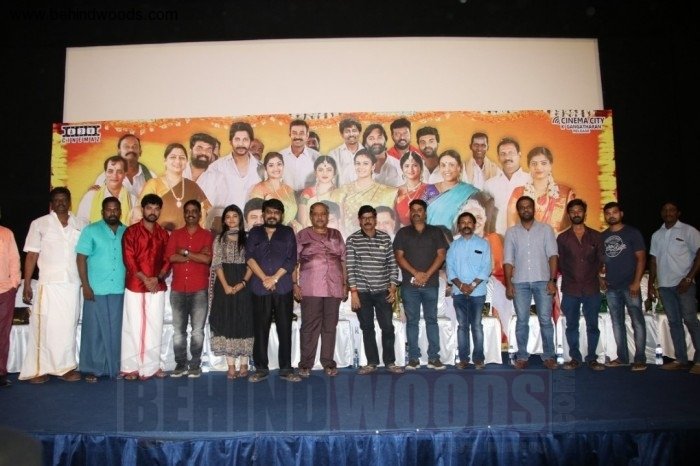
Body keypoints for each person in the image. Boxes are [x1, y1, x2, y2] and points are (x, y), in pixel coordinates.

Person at [19, 187, 86, 384]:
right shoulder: (39, 224)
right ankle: (38, 369)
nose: (61, 203)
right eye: (56, 200)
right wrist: (27, 284)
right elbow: (32, 255)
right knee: (44, 327)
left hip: (72, 284)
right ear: (51, 204)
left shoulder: (81, 224)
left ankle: (64, 368)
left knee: (67, 327)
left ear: (70, 201)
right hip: (48, 284)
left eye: (64, 199)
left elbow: (85, 255)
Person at [246, 198, 301, 383]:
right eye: (269, 212)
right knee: (260, 329)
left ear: (281, 215)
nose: (272, 215)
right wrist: (265, 279)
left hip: (283, 287)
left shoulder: (287, 232)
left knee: (285, 329)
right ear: (263, 214)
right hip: (259, 287)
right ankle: (261, 368)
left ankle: (286, 368)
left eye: (276, 213)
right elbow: (249, 258)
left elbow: (291, 260)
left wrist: (274, 278)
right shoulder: (254, 233)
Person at [346, 205, 403, 374]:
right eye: (364, 218)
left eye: (370, 217)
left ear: (375, 219)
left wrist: (393, 286)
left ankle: (390, 362)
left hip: (383, 291)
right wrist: (354, 293)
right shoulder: (352, 240)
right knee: (367, 327)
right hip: (362, 293)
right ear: (359, 221)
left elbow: (392, 264)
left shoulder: (385, 238)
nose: (367, 221)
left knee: (388, 327)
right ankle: (371, 362)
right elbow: (350, 267)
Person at [504, 195, 559, 370]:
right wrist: (508, 284)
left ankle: (549, 356)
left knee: (545, 319)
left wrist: (552, 280)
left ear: (534, 209)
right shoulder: (511, 232)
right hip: (519, 282)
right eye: (522, 207)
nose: (525, 209)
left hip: (543, 281)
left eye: (528, 206)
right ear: (518, 211)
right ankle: (522, 356)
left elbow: (553, 256)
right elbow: (508, 260)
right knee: (522, 320)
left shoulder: (546, 230)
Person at [75, 197, 127, 383]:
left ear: (120, 211)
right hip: (95, 289)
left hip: (118, 289)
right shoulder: (91, 230)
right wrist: (86, 285)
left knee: (116, 331)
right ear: (102, 212)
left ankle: (114, 368)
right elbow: (81, 258)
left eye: (115, 209)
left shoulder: (126, 231)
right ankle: (92, 368)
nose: (112, 212)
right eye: (108, 209)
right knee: (94, 331)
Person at [393, 199, 449, 370]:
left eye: (419, 210)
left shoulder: (436, 232)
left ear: (425, 213)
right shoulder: (403, 233)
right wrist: (416, 273)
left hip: (431, 284)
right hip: (410, 286)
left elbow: (441, 255)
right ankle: (413, 358)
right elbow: (399, 257)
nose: (416, 212)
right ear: (410, 213)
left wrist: (426, 275)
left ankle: (434, 358)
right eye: (413, 210)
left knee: (432, 320)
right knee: (412, 322)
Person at [293, 202, 347, 377]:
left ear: (327, 215)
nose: (320, 217)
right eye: (316, 214)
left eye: (323, 213)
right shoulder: (302, 235)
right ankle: (305, 364)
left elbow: (343, 260)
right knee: (309, 326)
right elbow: (294, 262)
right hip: (311, 287)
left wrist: (345, 284)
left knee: (330, 326)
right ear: (310, 216)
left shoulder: (336, 234)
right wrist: (295, 284)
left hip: (334, 287)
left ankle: (328, 362)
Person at [121, 193, 170, 380]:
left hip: (157, 286)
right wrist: (146, 279)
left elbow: (167, 259)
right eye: (149, 208)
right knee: (134, 326)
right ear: (142, 209)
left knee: (155, 326)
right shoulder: (131, 232)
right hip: (136, 285)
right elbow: (129, 259)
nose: (153, 212)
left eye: (156, 209)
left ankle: (152, 366)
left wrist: (157, 278)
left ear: (160, 211)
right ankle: (131, 367)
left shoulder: (163, 234)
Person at [649, 201, 700, 374]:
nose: (668, 212)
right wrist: (651, 284)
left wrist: (689, 278)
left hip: (684, 284)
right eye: (665, 210)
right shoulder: (657, 235)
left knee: (691, 320)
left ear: (678, 213)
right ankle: (681, 359)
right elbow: (653, 260)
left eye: (671, 210)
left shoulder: (689, 231)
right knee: (674, 322)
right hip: (665, 285)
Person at [165, 200, 214, 378]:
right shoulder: (176, 234)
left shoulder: (207, 235)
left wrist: (185, 252)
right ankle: (180, 364)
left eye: (194, 211)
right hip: (178, 289)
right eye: (188, 211)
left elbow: (207, 260)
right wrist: (196, 255)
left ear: (200, 214)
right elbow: (170, 257)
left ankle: (195, 365)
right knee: (178, 331)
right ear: (184, 214)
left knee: (197, 331)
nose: (191, 214)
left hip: (199, 289)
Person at [557, 199, 606, 371]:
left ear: (585, 213)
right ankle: (575, 358)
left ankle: (592, 358)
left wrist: (599, 276)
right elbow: (560, 263)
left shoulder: (596, 236)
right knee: (571, 325)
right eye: (572, 211)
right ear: (568, 214)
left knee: (593, 325)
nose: (576, 214)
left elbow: (601, 260)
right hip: (570, 288)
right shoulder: (562, 238)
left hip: (592, 287)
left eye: (579, 211)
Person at [600, 201, 647, 371]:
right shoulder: (602, 236)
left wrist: (636, 282)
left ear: (621, 214)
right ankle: (622, 358)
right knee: (617, 323)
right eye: (608, 213)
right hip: (612, 287)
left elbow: (641, 258)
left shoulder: (632, 233)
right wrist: (600, 277)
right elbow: (600, 261)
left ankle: (640, 359)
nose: (611, 215)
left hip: (630, 285)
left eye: (614, 212)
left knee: (637, 322)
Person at [209, 204, 254, 379]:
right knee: (227, 320)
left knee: (245, 320)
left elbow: (252, 263)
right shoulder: (219, 239)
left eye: (235, 216)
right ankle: (231, 366)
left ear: (240, 219)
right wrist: (226, 286)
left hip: (245, 283)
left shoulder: (248, 238)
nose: (231, 219)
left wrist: (243, 283)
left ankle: (244, 363)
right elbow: (217, 264)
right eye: (228, 217)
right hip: (224, 284)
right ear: (224, 220)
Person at [447, 211, 492, 370]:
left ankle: (478, 359)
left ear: (474, 225)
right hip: (459, 293)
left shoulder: (483, 244)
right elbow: (450, 269)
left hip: (477, 293)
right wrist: (461, 286)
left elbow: (486, 268)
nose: (466, 225)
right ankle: (464, 359)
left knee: (477, 325)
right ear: (458, 226)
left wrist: (472, 285)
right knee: (462, 326)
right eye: (463, 222)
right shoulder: (453, 246)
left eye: (469, 222)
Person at [138, 143, 211, 232]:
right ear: (165, 161)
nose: (177, 161)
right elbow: (140, 213)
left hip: (187, 238)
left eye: (182, 158)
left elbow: (207, 211)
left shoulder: (192, 186)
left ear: (186, 161)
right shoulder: (154, 184)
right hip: (158, 237)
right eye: (173, 157)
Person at [506, 146, 575, 236]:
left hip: (558, 243)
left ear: (550, 165)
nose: (538, 167)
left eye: (543, 163)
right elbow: (511, 230)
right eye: (534, 163)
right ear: (529, 166)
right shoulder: (518, 193)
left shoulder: (565, 193)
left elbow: (574, 227)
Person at [204, 121, 262, 222]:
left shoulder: (261, 168)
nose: (241, 144)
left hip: (253, 227)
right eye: (237, 139)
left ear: (251, 142)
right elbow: (206, 203)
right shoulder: (216, 167)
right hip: (224, 226)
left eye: (245, 140)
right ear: (230, 141)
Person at [334, 149, 398, 237]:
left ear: (373, 166)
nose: (361, 167)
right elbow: (340, 222)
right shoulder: (343, 190)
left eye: (365, 163)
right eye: (358, 163)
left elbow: (391, 223)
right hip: (350, 238)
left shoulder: (387, 192)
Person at [483, 137, 531, 235]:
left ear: (519, 155)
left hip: (527, 237)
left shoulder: (530, 180)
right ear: (498, 157)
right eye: (503, 154)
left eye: (511, 153)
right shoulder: (489, 185)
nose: (507, 157)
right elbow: (485, 216)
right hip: (498, 238)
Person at [426, 150, 478, 232]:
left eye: (451, 165)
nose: (447, 169)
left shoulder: (469, 192)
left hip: (456, 237)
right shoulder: (429, 189)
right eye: (443, 165)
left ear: (459, 167)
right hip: (428, 236)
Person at [77, 155, 137, 225]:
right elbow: (81, 223)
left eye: (119, 172)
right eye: (110, 171)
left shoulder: (133, 200)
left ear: (124, 175)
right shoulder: (91, 196)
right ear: (105, 173)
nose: (114, 175)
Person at [93, 134, 156, 198]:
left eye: (135, 146)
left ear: (140, 151)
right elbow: (96, 199)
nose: (131, 149)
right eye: (126, 147)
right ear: (119, 151)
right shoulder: (104, 178)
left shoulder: (152, 177)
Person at [247, 152, 299, 227]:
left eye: (279, 164)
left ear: (283, 166)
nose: (276, 168)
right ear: (265, 168)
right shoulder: (259, 189)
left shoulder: (289, 189)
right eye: (271, 165)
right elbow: (256, 217)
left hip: (290, 231)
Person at [0, 222, 20, 387]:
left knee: (2, 334)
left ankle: (0, 373)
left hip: (5, 290)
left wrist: (14, 284)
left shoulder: (6, 233)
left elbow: (14, 259)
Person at [394, 151, 439, 226]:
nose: (410, 169)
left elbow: (435, 215)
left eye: (415, 165)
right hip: (402, 231)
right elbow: (393, 218)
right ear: (402, 169)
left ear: (421, 168)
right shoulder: (396, 192)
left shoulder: (430, 189)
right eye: (407, 166)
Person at [298, 155, 341, 228]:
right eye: (320, 170)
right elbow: (303, 222)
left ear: (334, 172)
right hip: (310, 231)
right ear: (315, 172)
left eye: (329, 170)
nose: (325, 173)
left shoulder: (339, 193)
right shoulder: (307, 193)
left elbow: (341, 221)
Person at [280, 119, 320, 192]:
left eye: (301, 133)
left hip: (310, 197)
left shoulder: (317, 157)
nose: (297, 136)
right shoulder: (280, 156)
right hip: (286, 197)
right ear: (290, 135)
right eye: (294, 133)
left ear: (307, 135)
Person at [363, 123, 402, 188]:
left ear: (385, 140)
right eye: (371, 138)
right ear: (365, 144)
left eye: (379, 137)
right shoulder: (357, 168)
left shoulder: (398, 165)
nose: (376, 142)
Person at [328, 117, 363, 186]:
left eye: (354, 131)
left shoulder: (368, 153)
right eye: (347, 131)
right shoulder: (334, 154)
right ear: (342, 134)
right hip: (341, 192)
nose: (351, 134)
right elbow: (330, 179)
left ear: (359, 132)